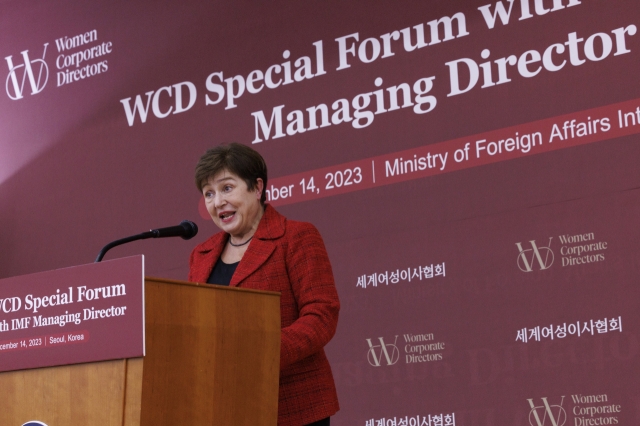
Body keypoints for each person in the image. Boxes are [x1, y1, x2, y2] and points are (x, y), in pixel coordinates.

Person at [189, 143, 340, 426]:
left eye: (226, 188)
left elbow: (321, 315)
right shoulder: (201, 255)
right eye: (208, 193)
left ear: (257, 188)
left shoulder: (296, 236)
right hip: (222, 409)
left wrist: (261, 353)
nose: (217, 201)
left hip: (293, 405)